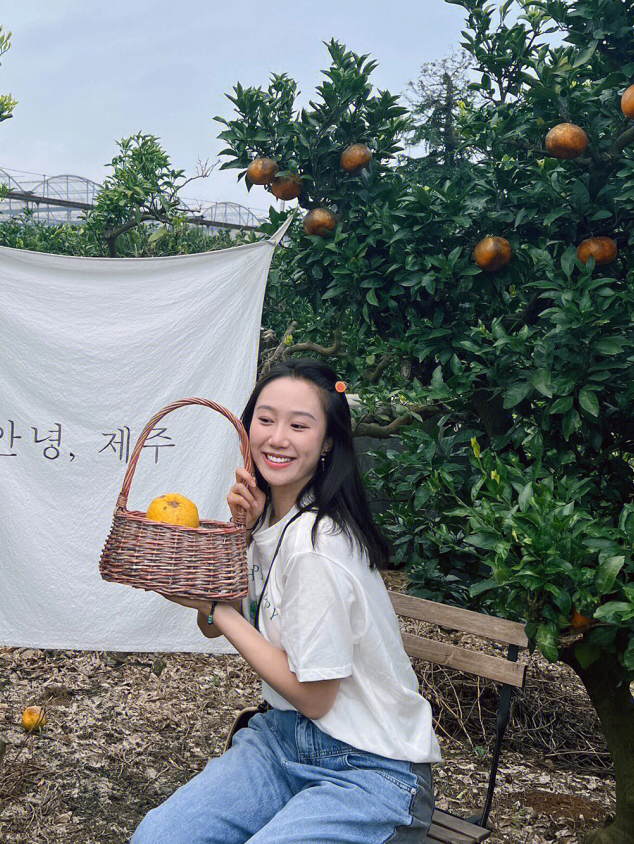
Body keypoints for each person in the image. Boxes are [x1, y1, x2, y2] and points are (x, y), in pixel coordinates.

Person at [130, 358, 441, 844]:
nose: (277, 438)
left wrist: (216, 608)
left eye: (299, 425)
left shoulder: (320, 546)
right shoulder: (274, 520)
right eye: (266, 419)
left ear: (328, 441)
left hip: (371, 771)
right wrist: (240, 540)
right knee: (159, 837)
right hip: (280, 743)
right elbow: (215, 626)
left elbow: (315, 697)